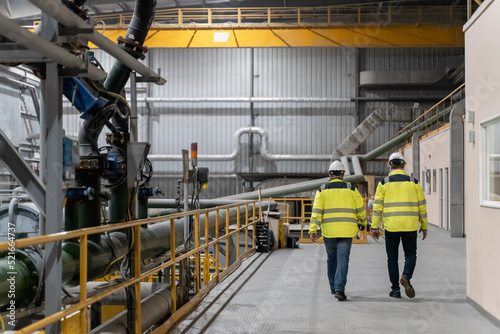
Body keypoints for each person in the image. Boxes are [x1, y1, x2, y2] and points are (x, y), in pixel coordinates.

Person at [371, 152, 428, 299]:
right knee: (410, 255)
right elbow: (422, 206)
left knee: (392, 258)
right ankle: (406, 276)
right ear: (404, 165)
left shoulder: (383, 183)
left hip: (392, 226)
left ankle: (395, 289)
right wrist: (424, 225)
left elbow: (377, 207)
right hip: (410, 226)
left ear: (390, 165)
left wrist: (374, 227)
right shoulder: (414, 182)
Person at [309, 160, 367, 301]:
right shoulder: (351, 189)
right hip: (346, 232)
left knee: (331, 258)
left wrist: (313, 229)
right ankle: (339, 289)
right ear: (343, 174)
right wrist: (363, 223)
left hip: (329, 231)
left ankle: (333, 287)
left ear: (329, 174)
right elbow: (360, 209)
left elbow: (316, 211)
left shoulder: (322, 190)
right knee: (343, 260)